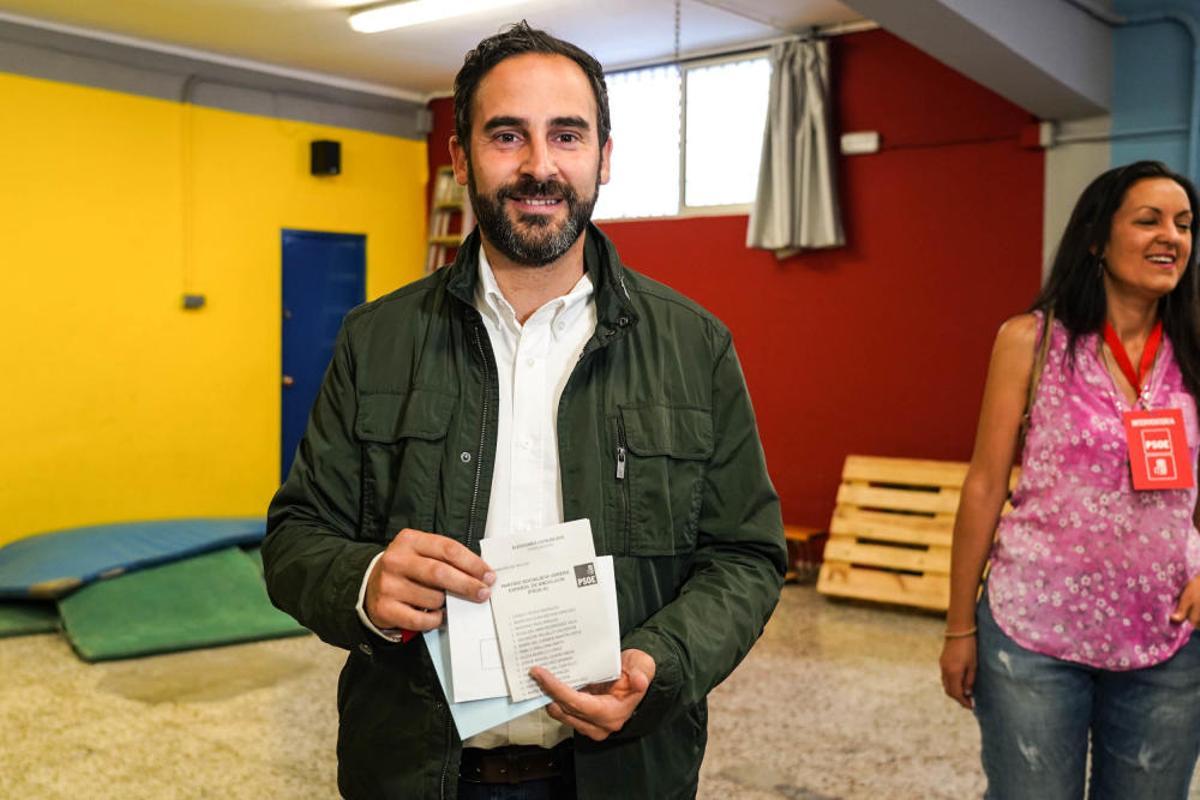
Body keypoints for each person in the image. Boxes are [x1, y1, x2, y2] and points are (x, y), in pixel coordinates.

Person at [262, 21, 785, 800]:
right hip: (417, 772)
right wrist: (364, 579)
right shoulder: (376, 339)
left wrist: (661, 662)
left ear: (604, 156)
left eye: (567, 136)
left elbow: (746, 556)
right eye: (507, 135)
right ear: (461, 156)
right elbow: (295, 538)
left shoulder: (693, 346)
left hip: (622, 774)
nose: (540, 166)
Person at [939, 160, 1200, 799]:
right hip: (1033, 634)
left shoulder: (1195, 348)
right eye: (1149, 221)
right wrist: (957, 626)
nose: (1173, 236)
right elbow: (983, 486)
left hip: (1167, 637)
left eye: (1186, 225)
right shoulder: (1031, 340)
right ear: (1095, 239)